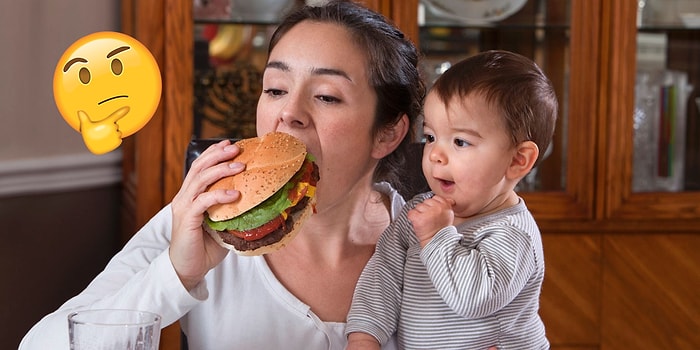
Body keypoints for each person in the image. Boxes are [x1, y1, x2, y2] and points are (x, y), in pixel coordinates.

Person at [19, 2, 425, 349]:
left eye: (326, 96)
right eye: (275, 89)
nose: (288, 113)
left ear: (388, 133)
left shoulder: (436, 247)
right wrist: (177, 274)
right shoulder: (196, 220)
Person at [345, 50, 557, 350]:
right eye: (430, 136)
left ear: (517, 160)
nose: (434, 154)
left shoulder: (512, 234)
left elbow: (473, 299)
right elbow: (384, 274)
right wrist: (365, 336)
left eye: (460, 142)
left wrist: (436, 235)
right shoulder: (418, 210)